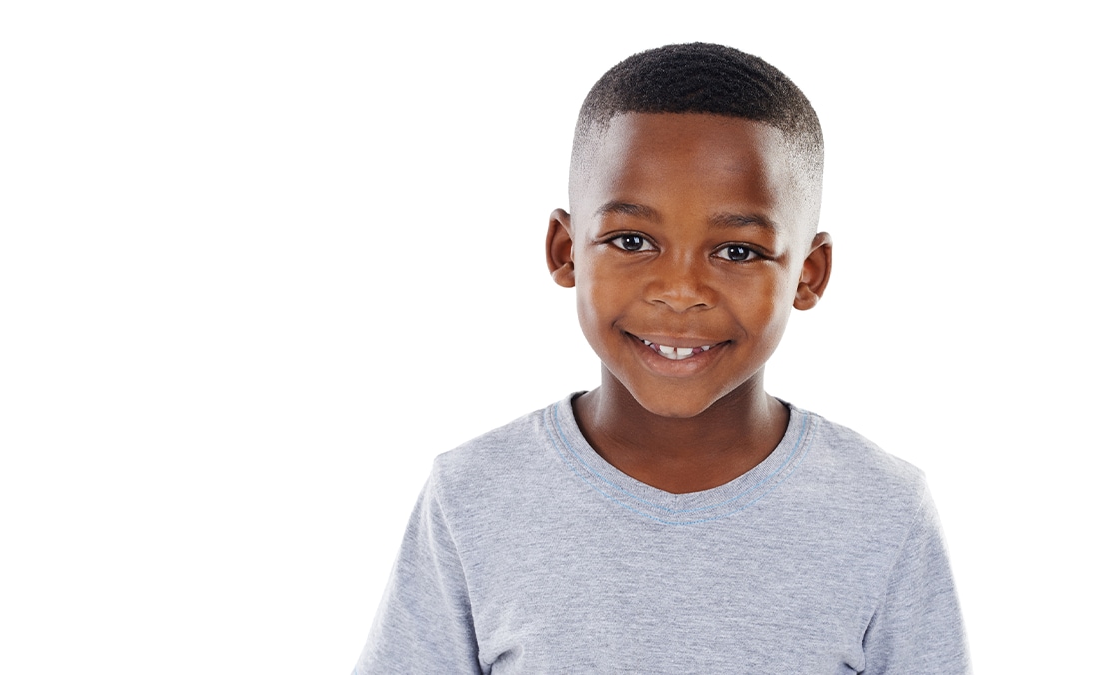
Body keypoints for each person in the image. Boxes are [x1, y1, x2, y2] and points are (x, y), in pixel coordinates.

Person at [354, 42, 969, 674]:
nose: (680, 292)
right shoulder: (472, 496)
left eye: (736, 252)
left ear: (809, 275)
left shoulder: (884, 511)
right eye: (632, 240)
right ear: (566, 250)